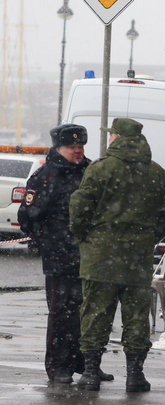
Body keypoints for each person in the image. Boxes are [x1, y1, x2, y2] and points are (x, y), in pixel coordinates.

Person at [69, 118, 165, 392]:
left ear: (116, 137)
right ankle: (135, 375)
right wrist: (146, 239)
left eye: (110, 135)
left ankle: (91, 372)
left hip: (100, 256)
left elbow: (80, 206)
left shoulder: (101, 169)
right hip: (136, 259)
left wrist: (84, 237)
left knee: (94, 314)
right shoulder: (157, 173)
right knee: (137, 317)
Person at [17, 124, 113, 384]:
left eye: (80, 146)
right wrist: (48, 242)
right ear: (59, 148)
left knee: (89, 313)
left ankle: (87, 364)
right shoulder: (45, 176)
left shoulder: (92, 171)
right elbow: (28, 216)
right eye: (72, 147)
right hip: (60, 258)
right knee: (62, 315)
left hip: (90, 256)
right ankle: (59, 367)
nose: (77, 151)